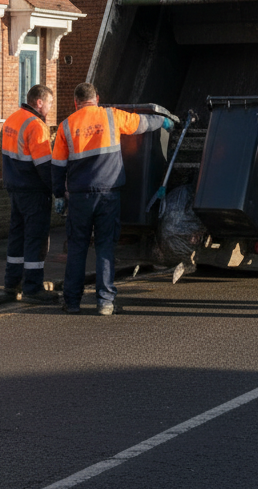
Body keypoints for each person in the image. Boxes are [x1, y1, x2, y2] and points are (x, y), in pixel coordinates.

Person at [52, 82, 171, 315]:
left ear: (76, 102)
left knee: (77, 248)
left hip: (79, 197)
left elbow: (57, 167)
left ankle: (72, 302)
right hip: (108, 195)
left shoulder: (66, 126)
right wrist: (165, 121)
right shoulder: (111, 116)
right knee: (106, 248)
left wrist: (58, 195)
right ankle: (105, 302)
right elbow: (142, 124)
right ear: (97, 98)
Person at [0, 84, 59, 303]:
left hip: (15, 188)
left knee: (17, 237)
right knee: (35, 238)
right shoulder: (36, 126)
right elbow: (44, 165)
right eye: (50, 103)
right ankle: (33, 287)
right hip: (33, 191)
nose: (51, 108)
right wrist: (58, 190)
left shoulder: (12, 120)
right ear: (39, 102)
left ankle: (11, 283)